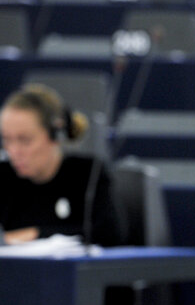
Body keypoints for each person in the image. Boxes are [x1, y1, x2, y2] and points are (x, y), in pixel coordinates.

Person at [0, 83, 124, 246]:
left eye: (25, 140)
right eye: (7, 140)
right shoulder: (4, 176)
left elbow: (108, 234)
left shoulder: (88, 173)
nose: (14, 151)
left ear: (55, 134)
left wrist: (35, 234)